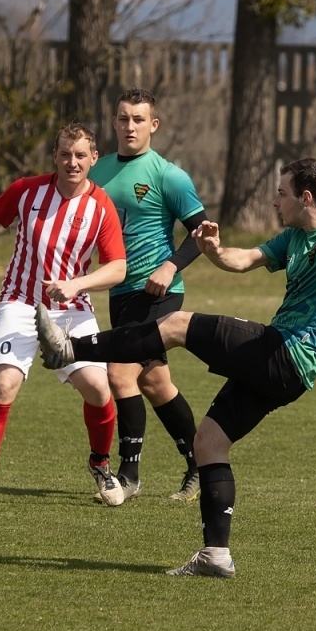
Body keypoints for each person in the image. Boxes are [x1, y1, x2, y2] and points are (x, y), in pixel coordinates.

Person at [34, 140, 316, 578]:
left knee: (175, 325)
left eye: (282, 193)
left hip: (287, 353)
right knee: (209, 443)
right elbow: (242, 259)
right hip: (286, 371)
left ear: (306, 197)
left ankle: (71, 349)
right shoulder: (293, 237)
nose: (275, 201)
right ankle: (216, 555)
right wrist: (213, 250)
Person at [0, 122, 130, 510]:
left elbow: (118, 268)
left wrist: (77, 285)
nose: (72, 163)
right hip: (21, 302)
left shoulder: (101, 206)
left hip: (73, 309)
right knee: (4, 383)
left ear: (94, 158)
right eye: (64, 154)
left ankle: (101, 464)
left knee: (98, 388)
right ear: (54, 157)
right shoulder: (28, 191)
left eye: (80, 155)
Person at [88, 89, 209, 502]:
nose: (130, 127)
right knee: (155, 382)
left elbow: (203, 234)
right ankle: (201, 464)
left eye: (139, 119)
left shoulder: (167, 175)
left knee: (120, 373)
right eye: (123, 119)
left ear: (153, 125)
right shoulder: (98, 170)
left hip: (159, 292)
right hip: (120, 291)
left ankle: (129, 475)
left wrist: (170, 265)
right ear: (114, 122)